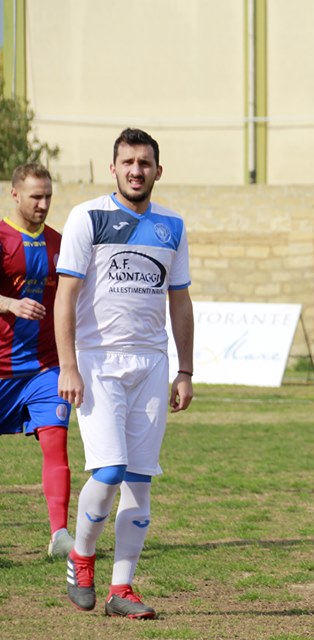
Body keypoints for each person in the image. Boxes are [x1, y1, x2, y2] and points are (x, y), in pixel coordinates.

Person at [55, 128, 194, 620]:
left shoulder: (172, 225)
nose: (137, 170)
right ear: (112, 168)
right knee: (109, 471)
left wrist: (186, 370)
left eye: (145, 162)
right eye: (128, 162)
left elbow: (179, 300)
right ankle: (82, 557)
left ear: (159, 169)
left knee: (140, 480)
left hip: (152, 365)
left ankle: (122, 588)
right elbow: (65, 297)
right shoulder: (87, 217)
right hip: (97, 364)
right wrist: (68, 364)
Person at [0, 163, 74, 557]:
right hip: (1, 369)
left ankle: (60, 535)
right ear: (15, 194)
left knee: (56, 442)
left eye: (48, 196)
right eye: (36, 196)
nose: (44, 204)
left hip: (45, 368)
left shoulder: (60, 244)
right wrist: (10, 303)